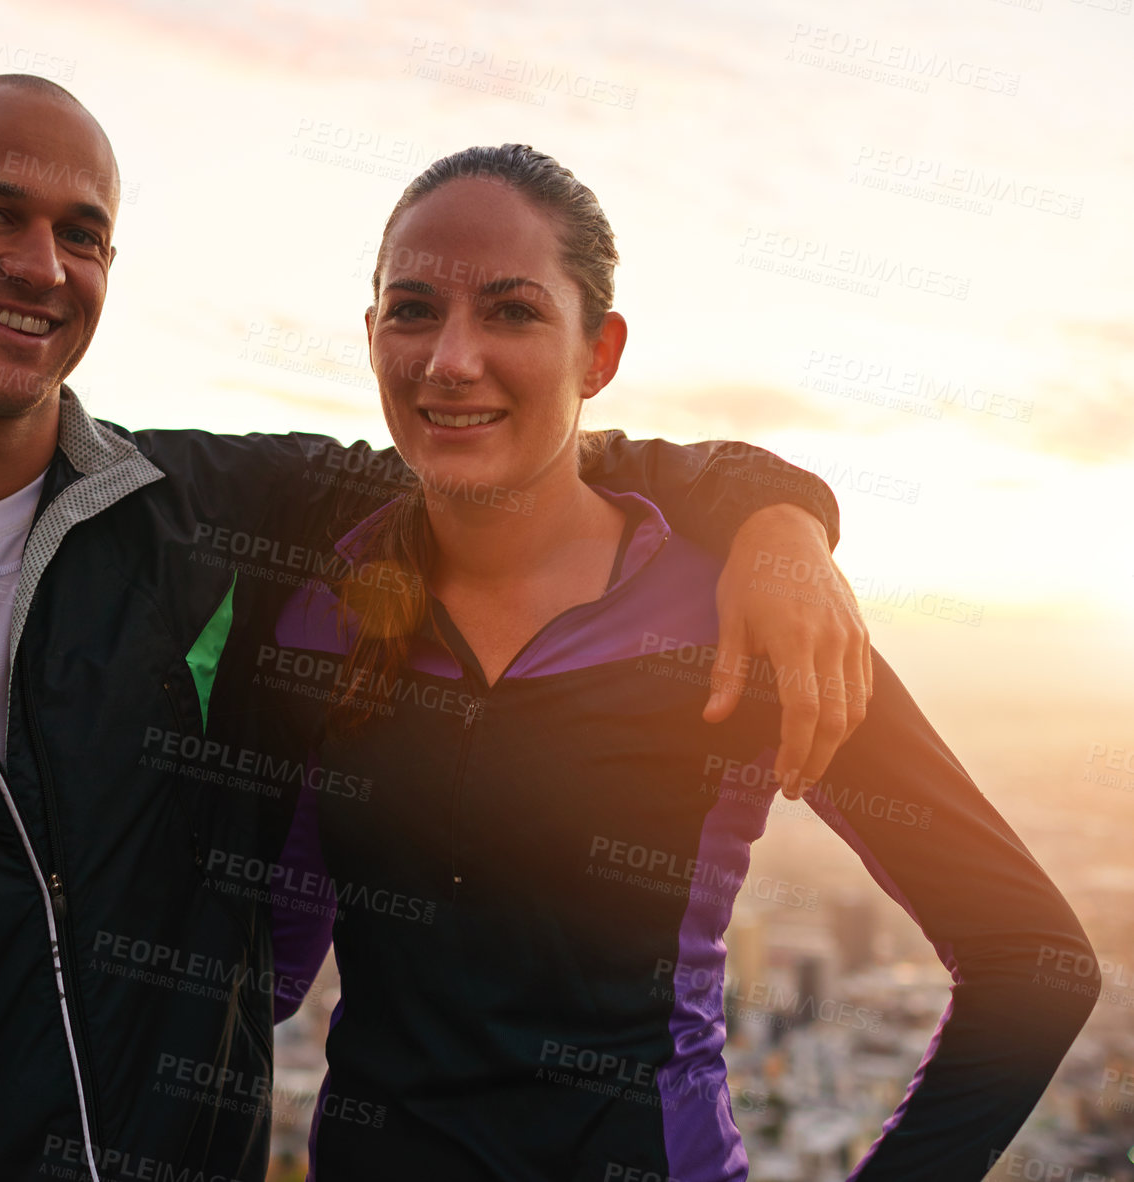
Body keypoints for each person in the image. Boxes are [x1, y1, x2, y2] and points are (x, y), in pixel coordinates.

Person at [0, 79, 867, 1181]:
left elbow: (524, 460)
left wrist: (779, 522)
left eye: (82, 231)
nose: (37, 266)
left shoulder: (216, 519)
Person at [265, 144, 1098, 1182]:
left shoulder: (737, 610)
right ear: (373, 335)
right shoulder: (321, 607)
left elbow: (1034, 960)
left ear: (598, 354)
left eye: (514, 312)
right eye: (412, 309)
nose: (449, 359)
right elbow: (256, 977)